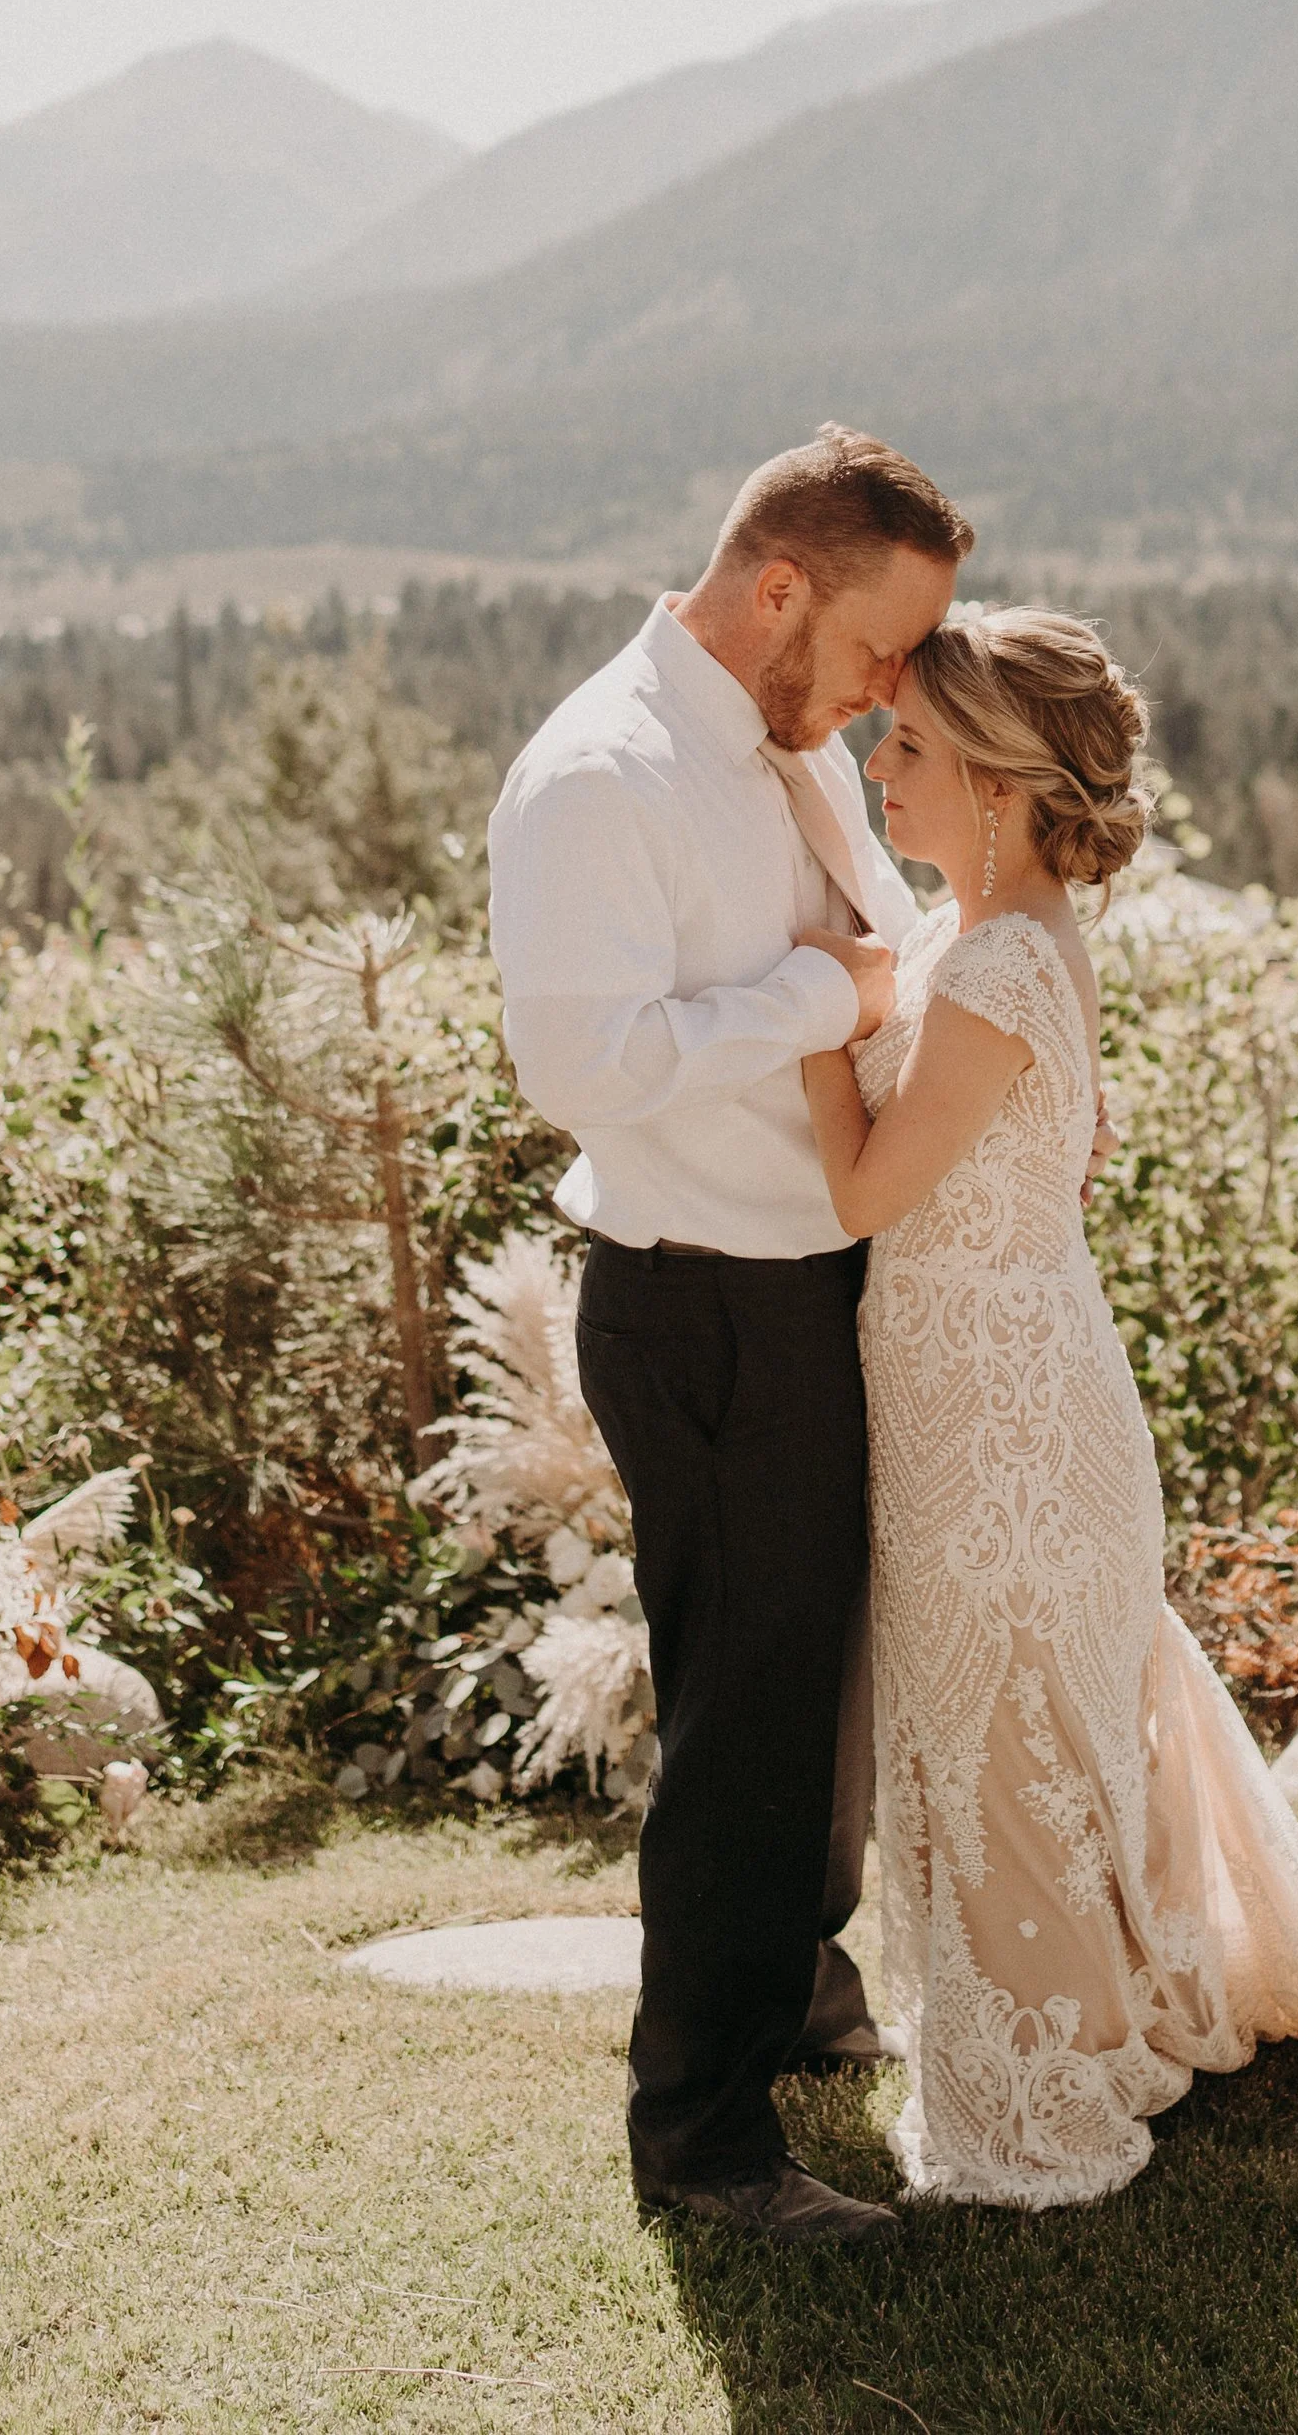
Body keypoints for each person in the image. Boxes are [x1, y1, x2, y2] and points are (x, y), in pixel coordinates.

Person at [798, 605, 1298, 2208]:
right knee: (1009, 1722)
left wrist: (824, 1017)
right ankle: (1079, 2021)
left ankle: (1045, 2083)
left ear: (1005, 787)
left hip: (1008, 1421)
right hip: (983, 1386)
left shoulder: (1008, 958)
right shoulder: (988, 940)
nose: (876, 767)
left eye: (910, 748)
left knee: (1007, 1725)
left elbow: (860, 1191)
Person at [487, 424, 970, 2247]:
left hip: (816, 1282)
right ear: (779, 589)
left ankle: (797, 2000)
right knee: (746, 1720)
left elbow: (878, 948)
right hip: (706, 1300)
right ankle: (701, 2148)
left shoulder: (783, 749)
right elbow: (578, 1067)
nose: (877, 700)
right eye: (869, 656)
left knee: (819, 1684)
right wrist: (816, 995)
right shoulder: (598, 777)